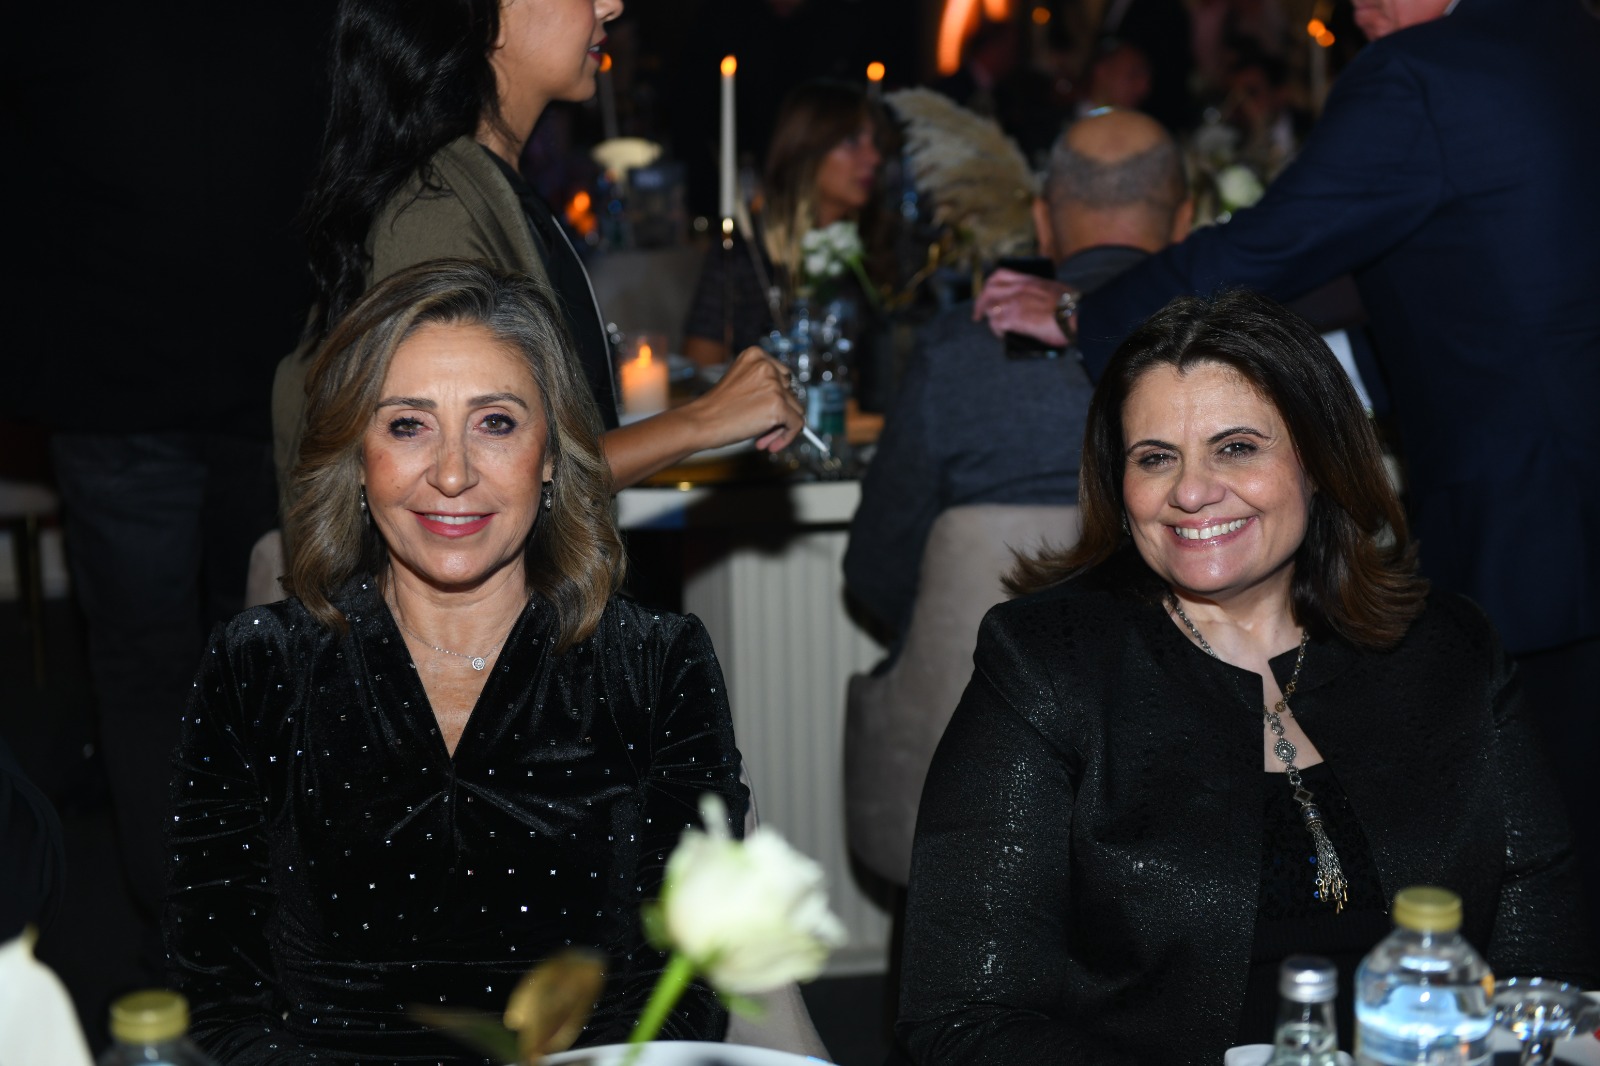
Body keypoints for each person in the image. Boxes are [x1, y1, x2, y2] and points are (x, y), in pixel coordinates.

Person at [974, 0, 1600, 938]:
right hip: (1566, 500)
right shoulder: (1570, 36)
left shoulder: (1419, 74)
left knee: (1538, 862)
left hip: (1534, 522)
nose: (1354, 7)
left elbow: (1270, 244)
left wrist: (1081, 311)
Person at [894, 291, 1596, 1066]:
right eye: (1155, 457)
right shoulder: (1047, 667)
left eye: (1235, 447)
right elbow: (961, 1019)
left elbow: (1545, 962)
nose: (1191, 491)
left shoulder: (1449, 649)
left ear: (1319, 461)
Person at [168, 261, 748, 1063]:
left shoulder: (656, 665)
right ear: (357, 455)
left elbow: (687, 980)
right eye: (408, 425)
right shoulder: (257, 667)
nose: (451, 473)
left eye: (495, 423)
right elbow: (216, 991)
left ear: (552, 454)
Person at [274, 0, 803, 508]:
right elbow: (471, 478)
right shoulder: (437, 210)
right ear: (491, 14)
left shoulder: (490, 187)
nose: (611, 6)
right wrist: (705, 421)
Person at [845, 109, 1190, 641]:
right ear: (1186, 222)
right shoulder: (1229, 345)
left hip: (969, 676)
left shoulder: (956, 348)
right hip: (1184, 680)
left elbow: (875, 570)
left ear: (1042, 222)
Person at [681, 80, 887, 368]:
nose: (874, 158)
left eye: (874, 142)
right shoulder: (746, 251)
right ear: (807, 148)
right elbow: (702, 366)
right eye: (852, 141)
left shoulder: (876, 245)